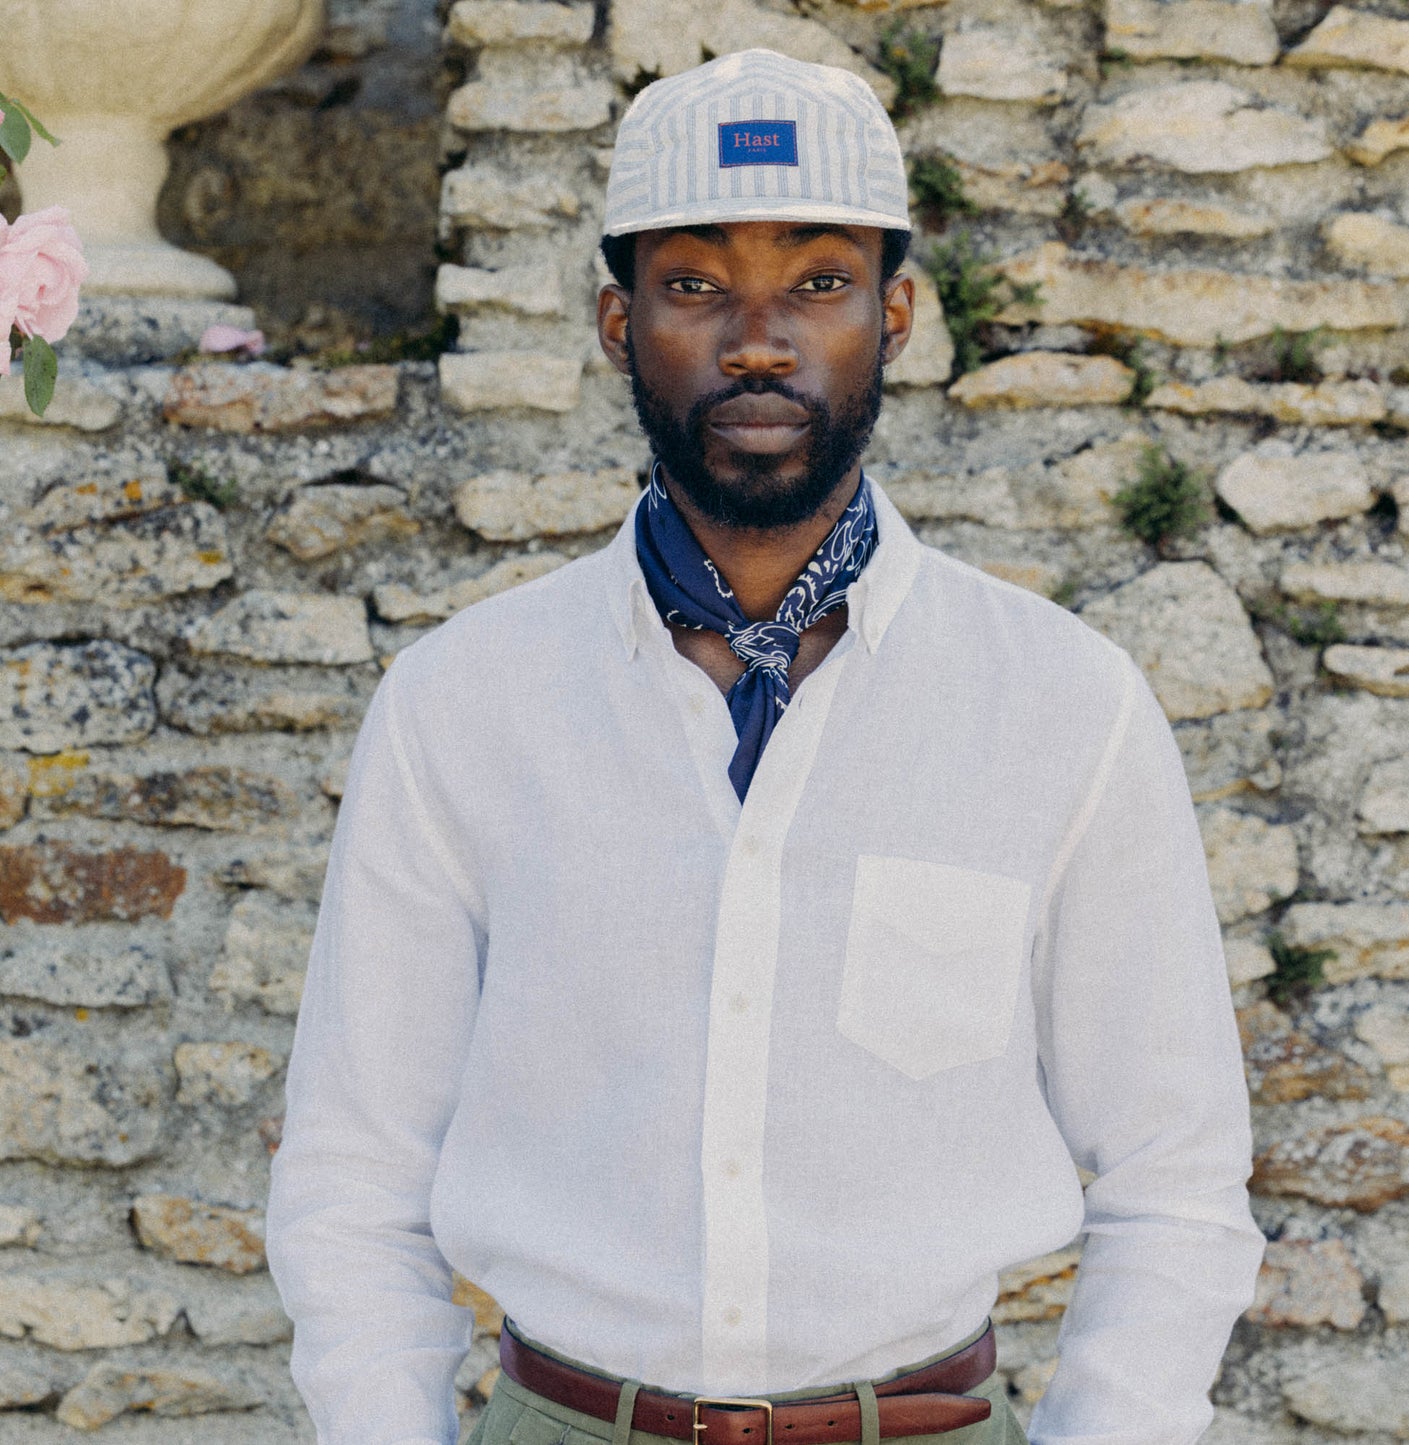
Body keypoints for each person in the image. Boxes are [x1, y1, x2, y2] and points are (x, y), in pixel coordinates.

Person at [266, 48, 1266, 1445]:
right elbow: (354, 1175)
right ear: (617, 323)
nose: (755, 339)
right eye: (694, 286)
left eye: (816, 282)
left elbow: (1173, 1173)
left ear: (894, 315)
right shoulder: (462, 705)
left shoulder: (1062, 706)